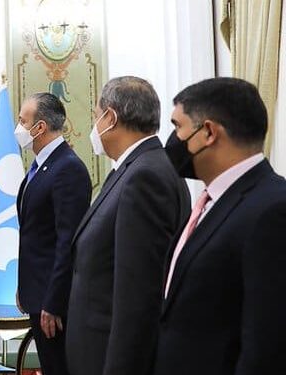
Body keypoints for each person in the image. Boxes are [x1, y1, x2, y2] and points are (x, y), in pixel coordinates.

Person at [154, 77, 286, 375]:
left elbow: (268, 343)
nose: (173, 139)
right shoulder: (209, 202)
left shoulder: (272, 209)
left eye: (178, 126)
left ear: (209, 132)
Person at [65, 76, 191, 375]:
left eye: (96, 117)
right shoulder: (137, 168)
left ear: (110, 118)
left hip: (108, 355)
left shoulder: (145, 176)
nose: (94, 126)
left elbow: (138, 293)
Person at [14, 93, 91, 375]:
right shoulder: (41, 166)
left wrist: (53, 301)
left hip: (54, 300)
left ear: (40, 127)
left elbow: (67, 242)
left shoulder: (67, 168)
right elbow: (34, 233)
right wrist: (25, 286)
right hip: (37, 290)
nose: (19, 127)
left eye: (23, 120)